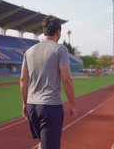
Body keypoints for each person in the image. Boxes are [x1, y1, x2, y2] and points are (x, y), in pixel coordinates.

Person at [20, 15, 77, 149]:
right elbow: (67, 79)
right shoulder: (60, 49)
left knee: (42, 144)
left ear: (44, 31)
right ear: (58, 32)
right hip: (50, 107)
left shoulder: (28, 51)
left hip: (32, 106)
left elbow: (23, 80)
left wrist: (24, 104)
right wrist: (73, 104)